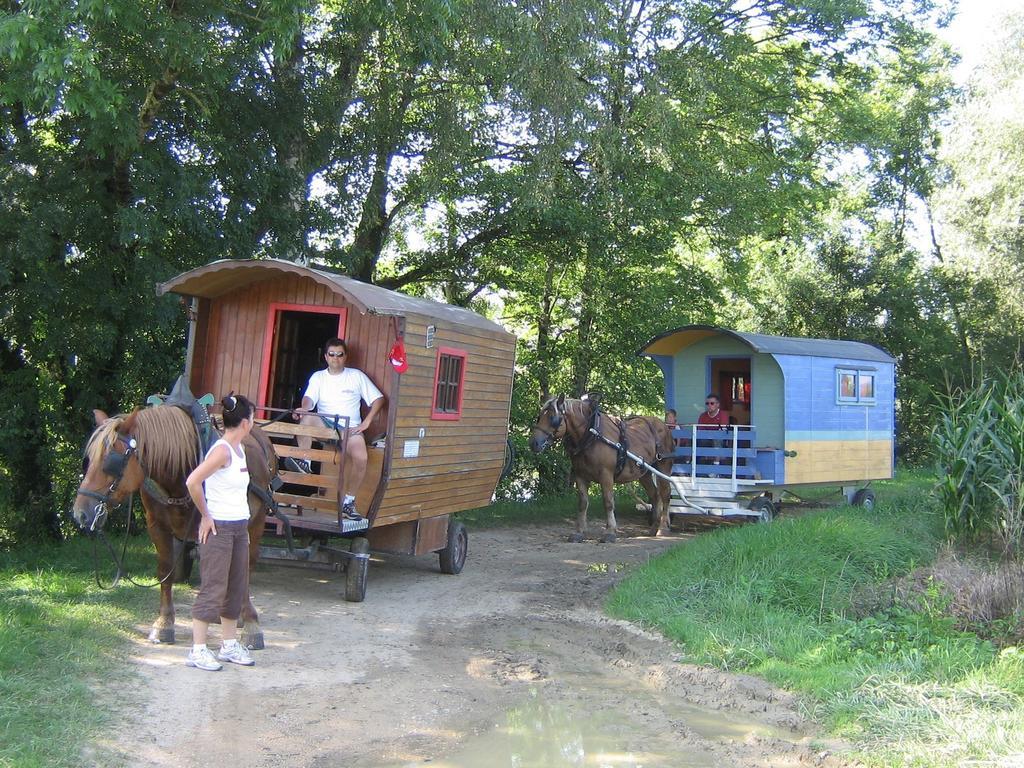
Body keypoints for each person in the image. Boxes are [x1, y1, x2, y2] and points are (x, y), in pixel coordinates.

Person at [183, 393, 258, 672]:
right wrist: (205, 515)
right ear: (246, 423)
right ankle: (198, 650)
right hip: (220, 528)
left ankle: (228, 646)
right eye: (252, 417)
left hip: (239, 527)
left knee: (236, 588)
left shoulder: (240, 450)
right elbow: (193, 481)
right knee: (213, 588)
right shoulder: (222, 450)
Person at [291, 337, 385, 521]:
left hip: (350, 428)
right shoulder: (318, 377)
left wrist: (366, 422)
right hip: (325, 423)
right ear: (325, 357)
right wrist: (305, 408)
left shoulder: (356, 376)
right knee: (308, 418)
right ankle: (305, 460)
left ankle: (348, 502)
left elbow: (379, 399)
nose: (335, 358)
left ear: (345, 356)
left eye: (339, 355)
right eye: (332, 355)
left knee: (361, 457)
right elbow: (309, 400)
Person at [696, 393, 732, 473]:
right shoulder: (703, 416)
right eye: (707, 403)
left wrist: (710, 432)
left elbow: (722, 430)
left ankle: (716, 468)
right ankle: (689, 466)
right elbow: (700, 431)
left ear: (718, 404)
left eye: (712, 403)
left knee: (717, 438)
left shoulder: (723, 414)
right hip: (705, 439)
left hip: (720, 440)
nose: (709, 405)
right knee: (692, 440)